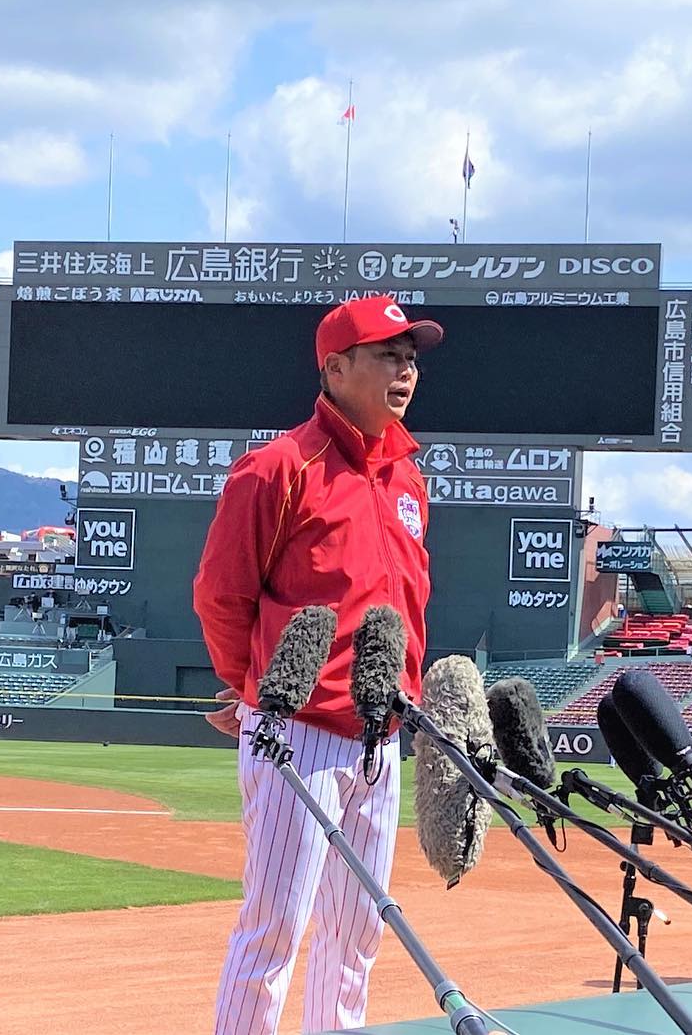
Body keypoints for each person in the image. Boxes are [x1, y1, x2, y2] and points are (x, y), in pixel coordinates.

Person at [194, 295, 441, 1034]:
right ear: (335, 367)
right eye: (388, 355)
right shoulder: (278, 468)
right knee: (274, 929)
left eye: (412, 357)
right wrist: (253, 693)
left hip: (381, 732)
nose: (406, 370)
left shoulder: (408, 480)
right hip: (297, 732)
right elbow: (221, 594)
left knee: (357, 935)